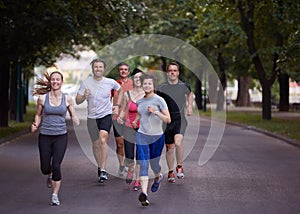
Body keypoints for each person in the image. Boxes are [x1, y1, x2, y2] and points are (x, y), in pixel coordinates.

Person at [31, 70, 80, 206]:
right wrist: (36, 124)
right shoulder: (43, 98)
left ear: (62, 82)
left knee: (56, 165)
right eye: (53, 79)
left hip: (60, 136)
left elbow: (73, 114)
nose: (55, 82)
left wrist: (76, 119)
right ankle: (49, 174)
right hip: (45, 136)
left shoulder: (68, 99)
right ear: (50, 82)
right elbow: (38, 114)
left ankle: (55, 195)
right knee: (45, 168)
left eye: (58, 79)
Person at [75, 58, 123, 183]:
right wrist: (84, 96)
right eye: (96, 67)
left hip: (106, 115)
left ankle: (103, 169)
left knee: (103, 138)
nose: (98, 69)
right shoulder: (86, 83)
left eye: (100, 67)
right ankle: (100, 166)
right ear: (92, 69)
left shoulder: (110, 82)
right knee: (96, 144)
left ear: (104, 69)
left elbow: (122, 91)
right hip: (92, 117)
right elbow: (77, 100)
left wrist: (117, 105)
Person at [132, 73, 171, 206]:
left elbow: (168, 119)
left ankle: (158, 176)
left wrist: (156, 112)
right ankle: (144, 194)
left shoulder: (159, 100)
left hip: (157, 137)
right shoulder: (140, 101)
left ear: (154, 86)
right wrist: (136, 121)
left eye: (149, 83)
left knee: (154, 165)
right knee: (143, 164)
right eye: (144, 84)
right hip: (142, 135)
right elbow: (140, 113)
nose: (147, 85)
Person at [157, 61, 193, 183]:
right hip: (167, 120)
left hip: (180, 119)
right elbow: (157, 100)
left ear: (178, 73)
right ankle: (171, 171)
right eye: (170, 70)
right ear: (167, 73)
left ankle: (179, 166)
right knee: (169, 147)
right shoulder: (162, 87)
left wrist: (190, 107)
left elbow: (190, 94)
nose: (172, 72)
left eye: (175, 70)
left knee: (178, 142)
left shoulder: (184, 86)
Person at [117, 68, 144, 190]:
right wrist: (120, 117)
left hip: (143, 129)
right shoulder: (128, 94)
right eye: (136, 77)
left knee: (139, 155)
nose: (138, 79)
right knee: (129, 155)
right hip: (129, 127)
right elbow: (124, 109)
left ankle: (137, 180)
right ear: (133, 79)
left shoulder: (148, 94)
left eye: (140, 77)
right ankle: (130, 168)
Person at [112, 62, 133, 177]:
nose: (123, 71)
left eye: (125, 69)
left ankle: (130, 166)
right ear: (119, 71)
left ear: (129, 72)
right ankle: (121, 165)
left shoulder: (133, 84)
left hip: (130, 118)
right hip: (117, 118)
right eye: (121, 69)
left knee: (129, 142)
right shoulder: (114, 84)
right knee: (120, 144)